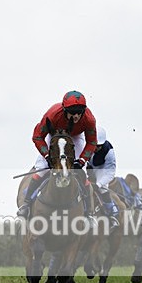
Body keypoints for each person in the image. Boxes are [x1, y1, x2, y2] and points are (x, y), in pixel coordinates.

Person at [16, 90, 97, 218]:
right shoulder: (52, 115)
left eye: (79, 112)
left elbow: (92, 142)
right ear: (64, 110)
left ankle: (88, 213)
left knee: (82, 173)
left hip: (75, 137)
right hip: (53, 136)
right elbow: (37, 137)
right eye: (72, 112)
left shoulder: (89, 119)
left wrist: (81, 160)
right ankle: (26, 204)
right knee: (41, 169)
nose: (76, 116)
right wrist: (47, 156)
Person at [87, 126, 120, 227]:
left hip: (102, 169)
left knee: (103, 189)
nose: (96, 148)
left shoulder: (109, 152)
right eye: (95, 145)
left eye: (99, 146)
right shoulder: (85, 143)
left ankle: (112, 214)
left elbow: (110, 173)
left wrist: (99, 184)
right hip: (87, 166)